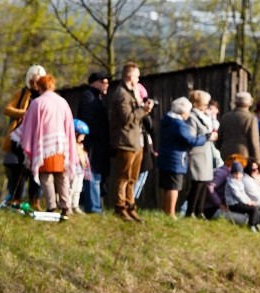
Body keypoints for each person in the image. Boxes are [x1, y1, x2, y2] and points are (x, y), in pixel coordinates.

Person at [19, 74, 79, 219]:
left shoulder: (37, 103)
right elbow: (69, 125)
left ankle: (51, 206)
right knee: (62, 177)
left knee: (46, 177)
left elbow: (29, 127)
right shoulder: (62, 102)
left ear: (39, 86)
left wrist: (26, 143)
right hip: (61, 146)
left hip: (44, 147)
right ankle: (66, 207)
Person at [109, 62, 155, 221]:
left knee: (133, 178)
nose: (139, 78)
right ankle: (120, 207)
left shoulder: (133, 92)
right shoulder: (121, 94)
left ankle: (130, 206)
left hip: (137, 141)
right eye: (137, 75)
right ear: (130, 76)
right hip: (125, 141)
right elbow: (127, 119)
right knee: (123, 176)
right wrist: (144, 110)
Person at [1, 64, 45, 209]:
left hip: (38, 138)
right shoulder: (22, 93)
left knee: (36, 170)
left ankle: (35, 200)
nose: (34, 84)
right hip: (20, 137)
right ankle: (16, 199)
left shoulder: (46, 96)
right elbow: (8, 109)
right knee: (18, 169)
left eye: (37, 81)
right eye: (32, 81)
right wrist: (24, 113)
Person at [156, 97, 207, 219]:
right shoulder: (179, 125)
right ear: (183, 112)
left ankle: (166, 210)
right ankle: (171, 213)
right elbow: (190, 140)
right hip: (176, 158)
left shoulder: (166, 120)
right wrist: (206, 137)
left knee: (166, 186)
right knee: (174, 187)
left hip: (165, 156)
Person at [77, 71, 110, 214]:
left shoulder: (95, 97)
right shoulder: (88, 97)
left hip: (98, 144)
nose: (107, 84)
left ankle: (94, 205)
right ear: (95, 82)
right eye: (104, 81)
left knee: (96, 175)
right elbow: (88, 121)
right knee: (92, 175)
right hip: (92, 144)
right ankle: (93, 208)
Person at [185, 90, 218, 218]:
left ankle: (199, 211)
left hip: (206, 152)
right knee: (197, 183)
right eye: (204, 104)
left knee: (204, 182)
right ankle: (191, 211)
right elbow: (192, 136)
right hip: (197, 153)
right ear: (197, 103)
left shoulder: (205, 115)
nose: (206, 106)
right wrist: (208, 136)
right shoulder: (192, 117)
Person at [217, 91, 260, 166]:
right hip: (243, 156)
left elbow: (219, 137)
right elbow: (254, 141)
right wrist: (257, 159)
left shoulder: (225, 116)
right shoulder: (250, 118)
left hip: (225, 155)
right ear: (249, 103)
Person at [224, 161, 260, 231]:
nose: (238, 175)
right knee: (253, 209)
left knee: (256, 206)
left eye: (239, 174)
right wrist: (248, 203)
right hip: (233, 204)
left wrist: (250, 201)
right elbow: (238, 195)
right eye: (236, 174)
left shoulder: (239, 182)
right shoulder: (231, 181)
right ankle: (252, 225)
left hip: (239, 202)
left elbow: (243, 194)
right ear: (232, 173)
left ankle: (256, 223)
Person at [69, 119, 91, 214]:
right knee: (71, 188)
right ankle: (68, 205)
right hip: (73, 171)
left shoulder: (80, 145)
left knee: (78, 189)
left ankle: (75, 205)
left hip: (80, 171)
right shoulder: (71, 145)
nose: (83, 138)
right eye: (82, 135)